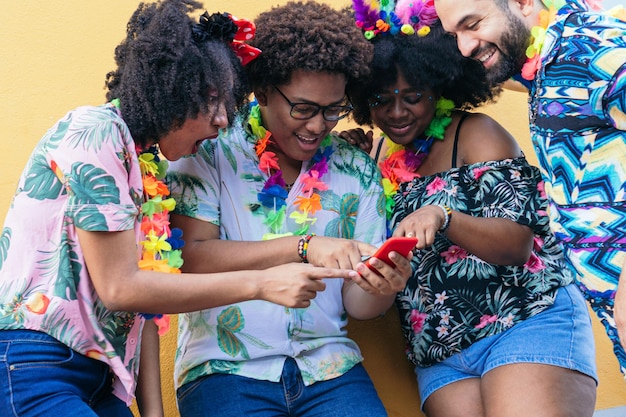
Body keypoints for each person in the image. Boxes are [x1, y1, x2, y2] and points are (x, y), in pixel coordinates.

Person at [0, 2, 362, 416]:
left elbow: (146, 301)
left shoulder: (144, 167)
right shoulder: (95, 130)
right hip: (35, 359)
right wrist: (262, 284)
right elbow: (121, 288)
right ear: (174, 92)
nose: (224, 120)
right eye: (214, 102)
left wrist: (153, 412)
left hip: (104, 376)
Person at [339, 1, 598, 415]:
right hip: (441, 352)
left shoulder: (478, 134)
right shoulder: (375, 157)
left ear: (439, 85)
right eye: (380, 99)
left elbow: (517, 245)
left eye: (412, 96)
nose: (397, 111)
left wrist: (444, 216)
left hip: (524, 321)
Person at [166, 2, 413, 416]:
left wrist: (382, 287)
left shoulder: (358, 171)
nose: (318, 125)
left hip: (331, 368)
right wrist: (303, 245)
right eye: (303, 108)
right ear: (262, 91)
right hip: (226, 368)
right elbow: (189, 257)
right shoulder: (210, 148)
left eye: (333, 110)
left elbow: (359, 305)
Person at [433, 0, 626, 377]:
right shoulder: (546, 63)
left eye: (473, 24)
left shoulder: (594, 48)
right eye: (455, 34)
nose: (465, 46)